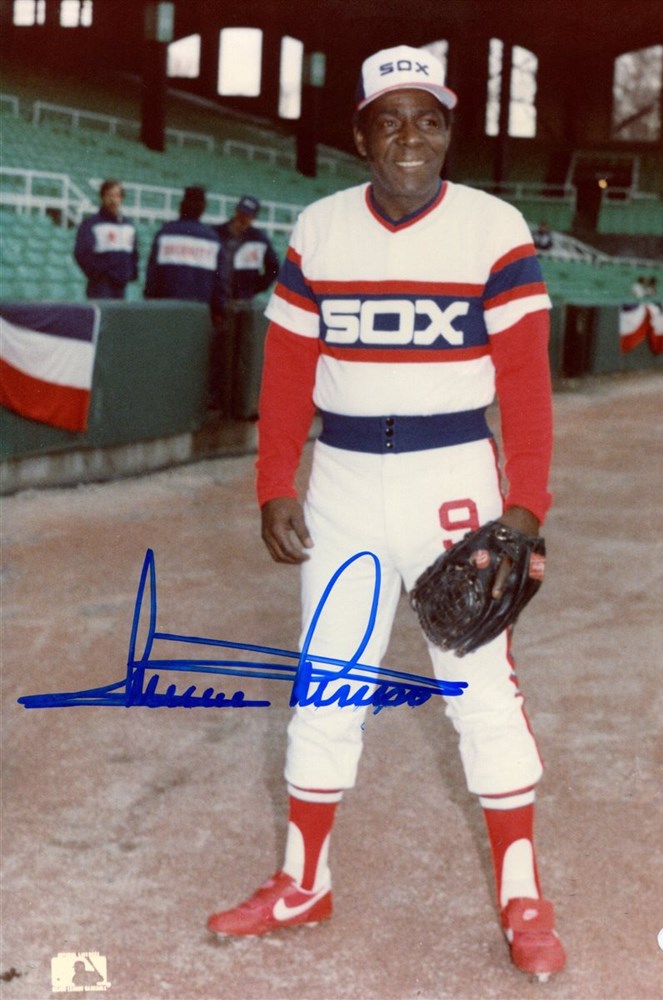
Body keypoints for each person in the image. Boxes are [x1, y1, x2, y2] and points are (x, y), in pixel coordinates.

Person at [207, 45, 566, 981]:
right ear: (361, 132)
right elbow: (286, 373)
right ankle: (303, 879)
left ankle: (522, 894)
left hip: (455, 478)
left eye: (431, 118)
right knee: (330, 682)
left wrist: (525, 507)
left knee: (479, 687)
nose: (413, 137)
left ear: (449, 129)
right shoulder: (321, 229)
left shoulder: (494, 227)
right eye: (391, 119)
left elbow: (526, 387)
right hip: (345, 480)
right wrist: (272, 481)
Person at [211, 196, 281, 414]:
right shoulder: (216, 233)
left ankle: (236, 400)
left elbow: (273, 268)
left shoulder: (259, 239)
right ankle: (215, 398)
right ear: (236, 211)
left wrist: (254, 287)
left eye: (248, 215)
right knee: (216, 350)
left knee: (239, 353)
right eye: (242, 213)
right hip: (219, 301)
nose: (244, 218)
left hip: (242, 303)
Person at [143, 185, 225, 317]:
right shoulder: (213, 239)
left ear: (181, 205)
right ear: (203, 208)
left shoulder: (165, 233)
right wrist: (218, 313)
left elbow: (152, 277)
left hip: (165, 312)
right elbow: (219, 283)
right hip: (199, 315)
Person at [74, 179, 138, 299]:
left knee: (118, 317)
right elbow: (81, 253)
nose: (113, 200)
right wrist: (99, 274)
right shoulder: (91, 224)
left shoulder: (129, 225)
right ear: (102, 197)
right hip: (100, 286)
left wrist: (130, 273)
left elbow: (134, 253)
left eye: (117, 196)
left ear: (121, 198)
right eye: (109, 195)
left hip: (122, 284)